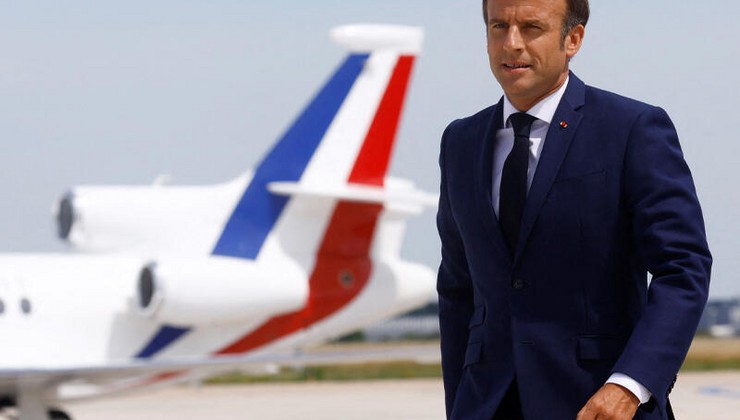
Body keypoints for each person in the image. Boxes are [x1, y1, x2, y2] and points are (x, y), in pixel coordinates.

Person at [435, 0, 712, 419]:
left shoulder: (631, 129)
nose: (511, 43)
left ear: (573, 39)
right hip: (486, 404)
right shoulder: (460, 141)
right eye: (498, 27)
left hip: (600, 403)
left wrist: (630, 385)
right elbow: (457, 289)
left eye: (531, 28)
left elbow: (683, 268)